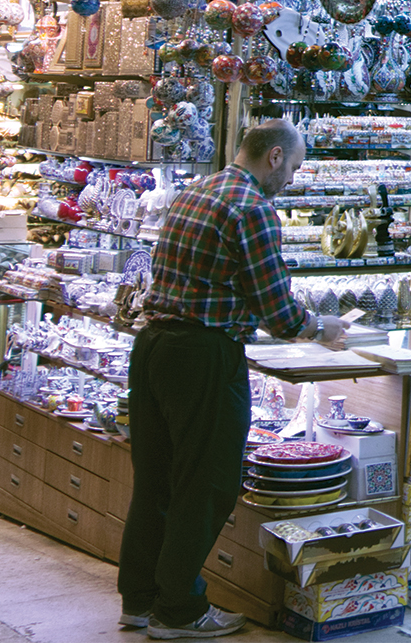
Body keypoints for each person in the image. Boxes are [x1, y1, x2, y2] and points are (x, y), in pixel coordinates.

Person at [118, 119, 319, 639]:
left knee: (157, 480)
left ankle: (140, 599)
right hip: (203, 354)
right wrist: (320, 327)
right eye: (294, 167)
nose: (293, 180)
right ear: (274, 157)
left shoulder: (197, 190)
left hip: (156, 345)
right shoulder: (253, 208)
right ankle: (178, 611)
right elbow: (277, 310)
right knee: (206, 485)